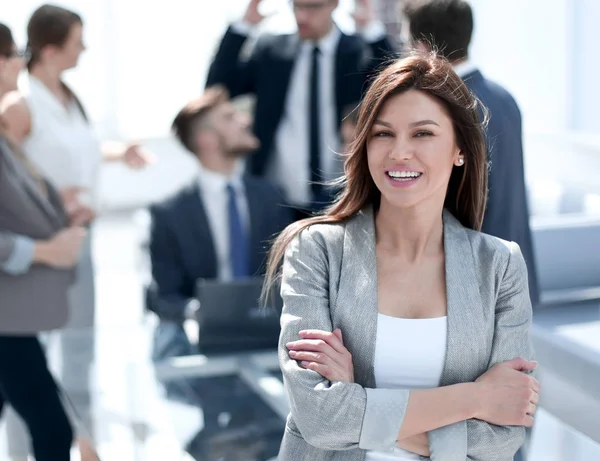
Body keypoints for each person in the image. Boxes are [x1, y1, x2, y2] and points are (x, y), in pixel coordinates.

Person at [262, 54, 539, 460]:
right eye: (382, 134)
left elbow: (500, 438)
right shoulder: (316, 250)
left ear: (460, 149)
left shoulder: (499, 265)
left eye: (423, 134)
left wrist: (359, 401)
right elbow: (319, 418)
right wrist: (476, 398)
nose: (399, 152)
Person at [0, 4, 152, 434]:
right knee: (28, 360)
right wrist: (47, 200)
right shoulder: (19, 104)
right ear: (50, 50)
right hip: (35, 251)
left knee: (80, 347)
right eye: (77, 40)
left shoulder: (69, 99)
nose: (84, 48)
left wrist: (119, 153)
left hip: (76, 241)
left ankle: (79, 441)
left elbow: (73, 151)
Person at [147, 87, 292, 460]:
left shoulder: (271, 197)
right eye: (230, 117)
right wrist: (200, 310)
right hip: (207, 362)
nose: (244, 119)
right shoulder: (169, 213)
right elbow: (166, 296)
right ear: (206, 139)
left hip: (272, 350)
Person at [403, 0, 539, 307]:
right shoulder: (505, 97)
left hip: (470, 278)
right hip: (513, 270)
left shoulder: (444, 107)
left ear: (423, 47)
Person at [206, 0, 396, 217]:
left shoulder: (358, 50)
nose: (302, 17)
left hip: (343, 198)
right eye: (296, 6)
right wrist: (244, 28)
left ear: (334, 5)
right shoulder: (271, 50)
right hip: (276, 200)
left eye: (312, 7)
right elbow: (218, 88)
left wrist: (371, 30)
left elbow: (396, 89)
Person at [0, 22, 86, 461]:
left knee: (47, 422)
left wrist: (59, 210)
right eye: (12, 54)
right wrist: (44, 251)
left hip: (14, 313)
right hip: (7, 316)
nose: (20, 61)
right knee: (51, 426)